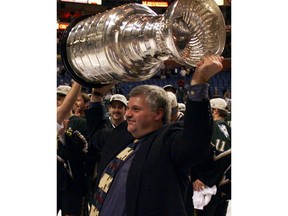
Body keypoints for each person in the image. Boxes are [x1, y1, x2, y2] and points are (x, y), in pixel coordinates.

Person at [85, 54, 224, 216]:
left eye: (136, 109)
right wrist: (96, 95)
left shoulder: (167, 140)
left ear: (158, 114)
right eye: (128, 108)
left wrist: (199, 82)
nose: (128, 114)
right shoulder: (122, 135)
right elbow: (96, 135)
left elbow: (195, 144)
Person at [192, 97, 231, 216]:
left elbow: (221, 157)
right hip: (225, 186)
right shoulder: (229, 129)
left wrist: (205, 179)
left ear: (215, 111)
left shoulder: (213, 128)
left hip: (210, 187)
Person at [57, 84, 90, 216]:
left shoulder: (80, 123)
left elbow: (84, 152)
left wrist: (64, 138)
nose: (57, 101)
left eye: (61, 98)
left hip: (72, 184)